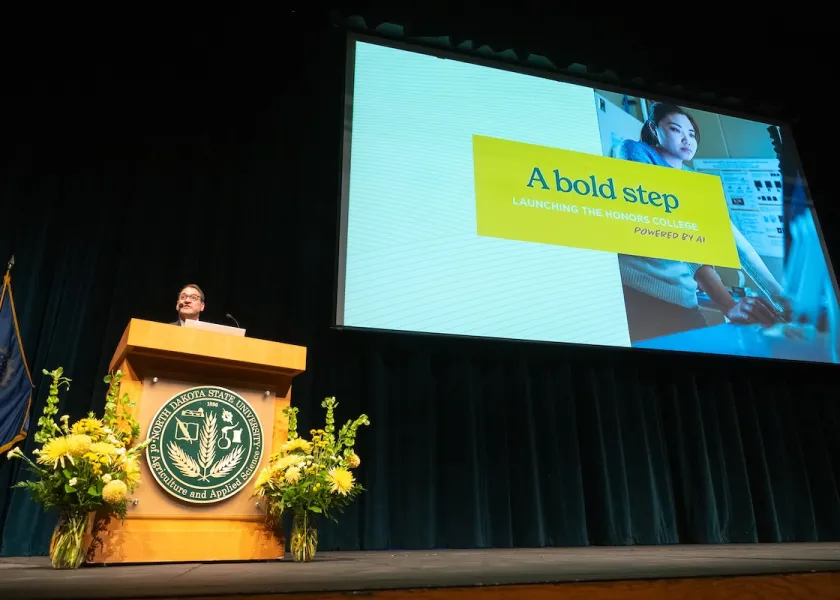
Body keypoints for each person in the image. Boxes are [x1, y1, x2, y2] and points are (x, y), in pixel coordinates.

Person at [616, 102, 787, 342]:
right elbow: (672, 226)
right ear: (654, 129)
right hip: (639, 292)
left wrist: (783, 300)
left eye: (692, 134)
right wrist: (728, 305)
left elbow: (732, 238)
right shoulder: (635, 151)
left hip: (683, 297)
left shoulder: (692, 178)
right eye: (676, 130)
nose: (687, 140)